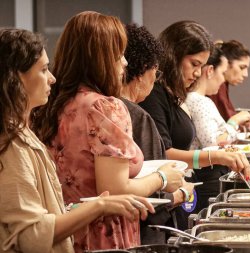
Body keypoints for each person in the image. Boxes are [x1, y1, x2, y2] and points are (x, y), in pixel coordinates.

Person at [31, 12, 183, 251]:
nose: (124, 63)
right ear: (100, 58)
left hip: (65, 230)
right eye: (118, 54)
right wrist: (162, 178)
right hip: (104, 234)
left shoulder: (51, 105)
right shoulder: (105, 107)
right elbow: (115, 190)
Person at [0, 28, 154, 253]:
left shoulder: (24, 132)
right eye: (43, 70)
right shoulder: (11, 146)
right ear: (16, 78)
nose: (51, 78)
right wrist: (100, 205)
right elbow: (31, 236)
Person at [139, 21, 250, 230]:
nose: (199, 73)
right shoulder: (155, 93)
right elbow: (162, 153)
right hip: (161, 199)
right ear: (174, 55)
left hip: (180, 191)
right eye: (194, 64)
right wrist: (215, 156)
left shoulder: (176, 94)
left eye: (202, 66)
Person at [121, 23, 194, 244]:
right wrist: (180, 194)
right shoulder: (134, 114)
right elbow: (151, 199)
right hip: (141, 233)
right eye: (156, 70)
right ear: (144, 69)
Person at [184, 44, 250, 210]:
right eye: (222, 73)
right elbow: (212, 143)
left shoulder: (201, 100)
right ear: (210, 71)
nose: (223, 80)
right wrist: (234, 122)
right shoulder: (198, 100)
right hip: (207, 175)